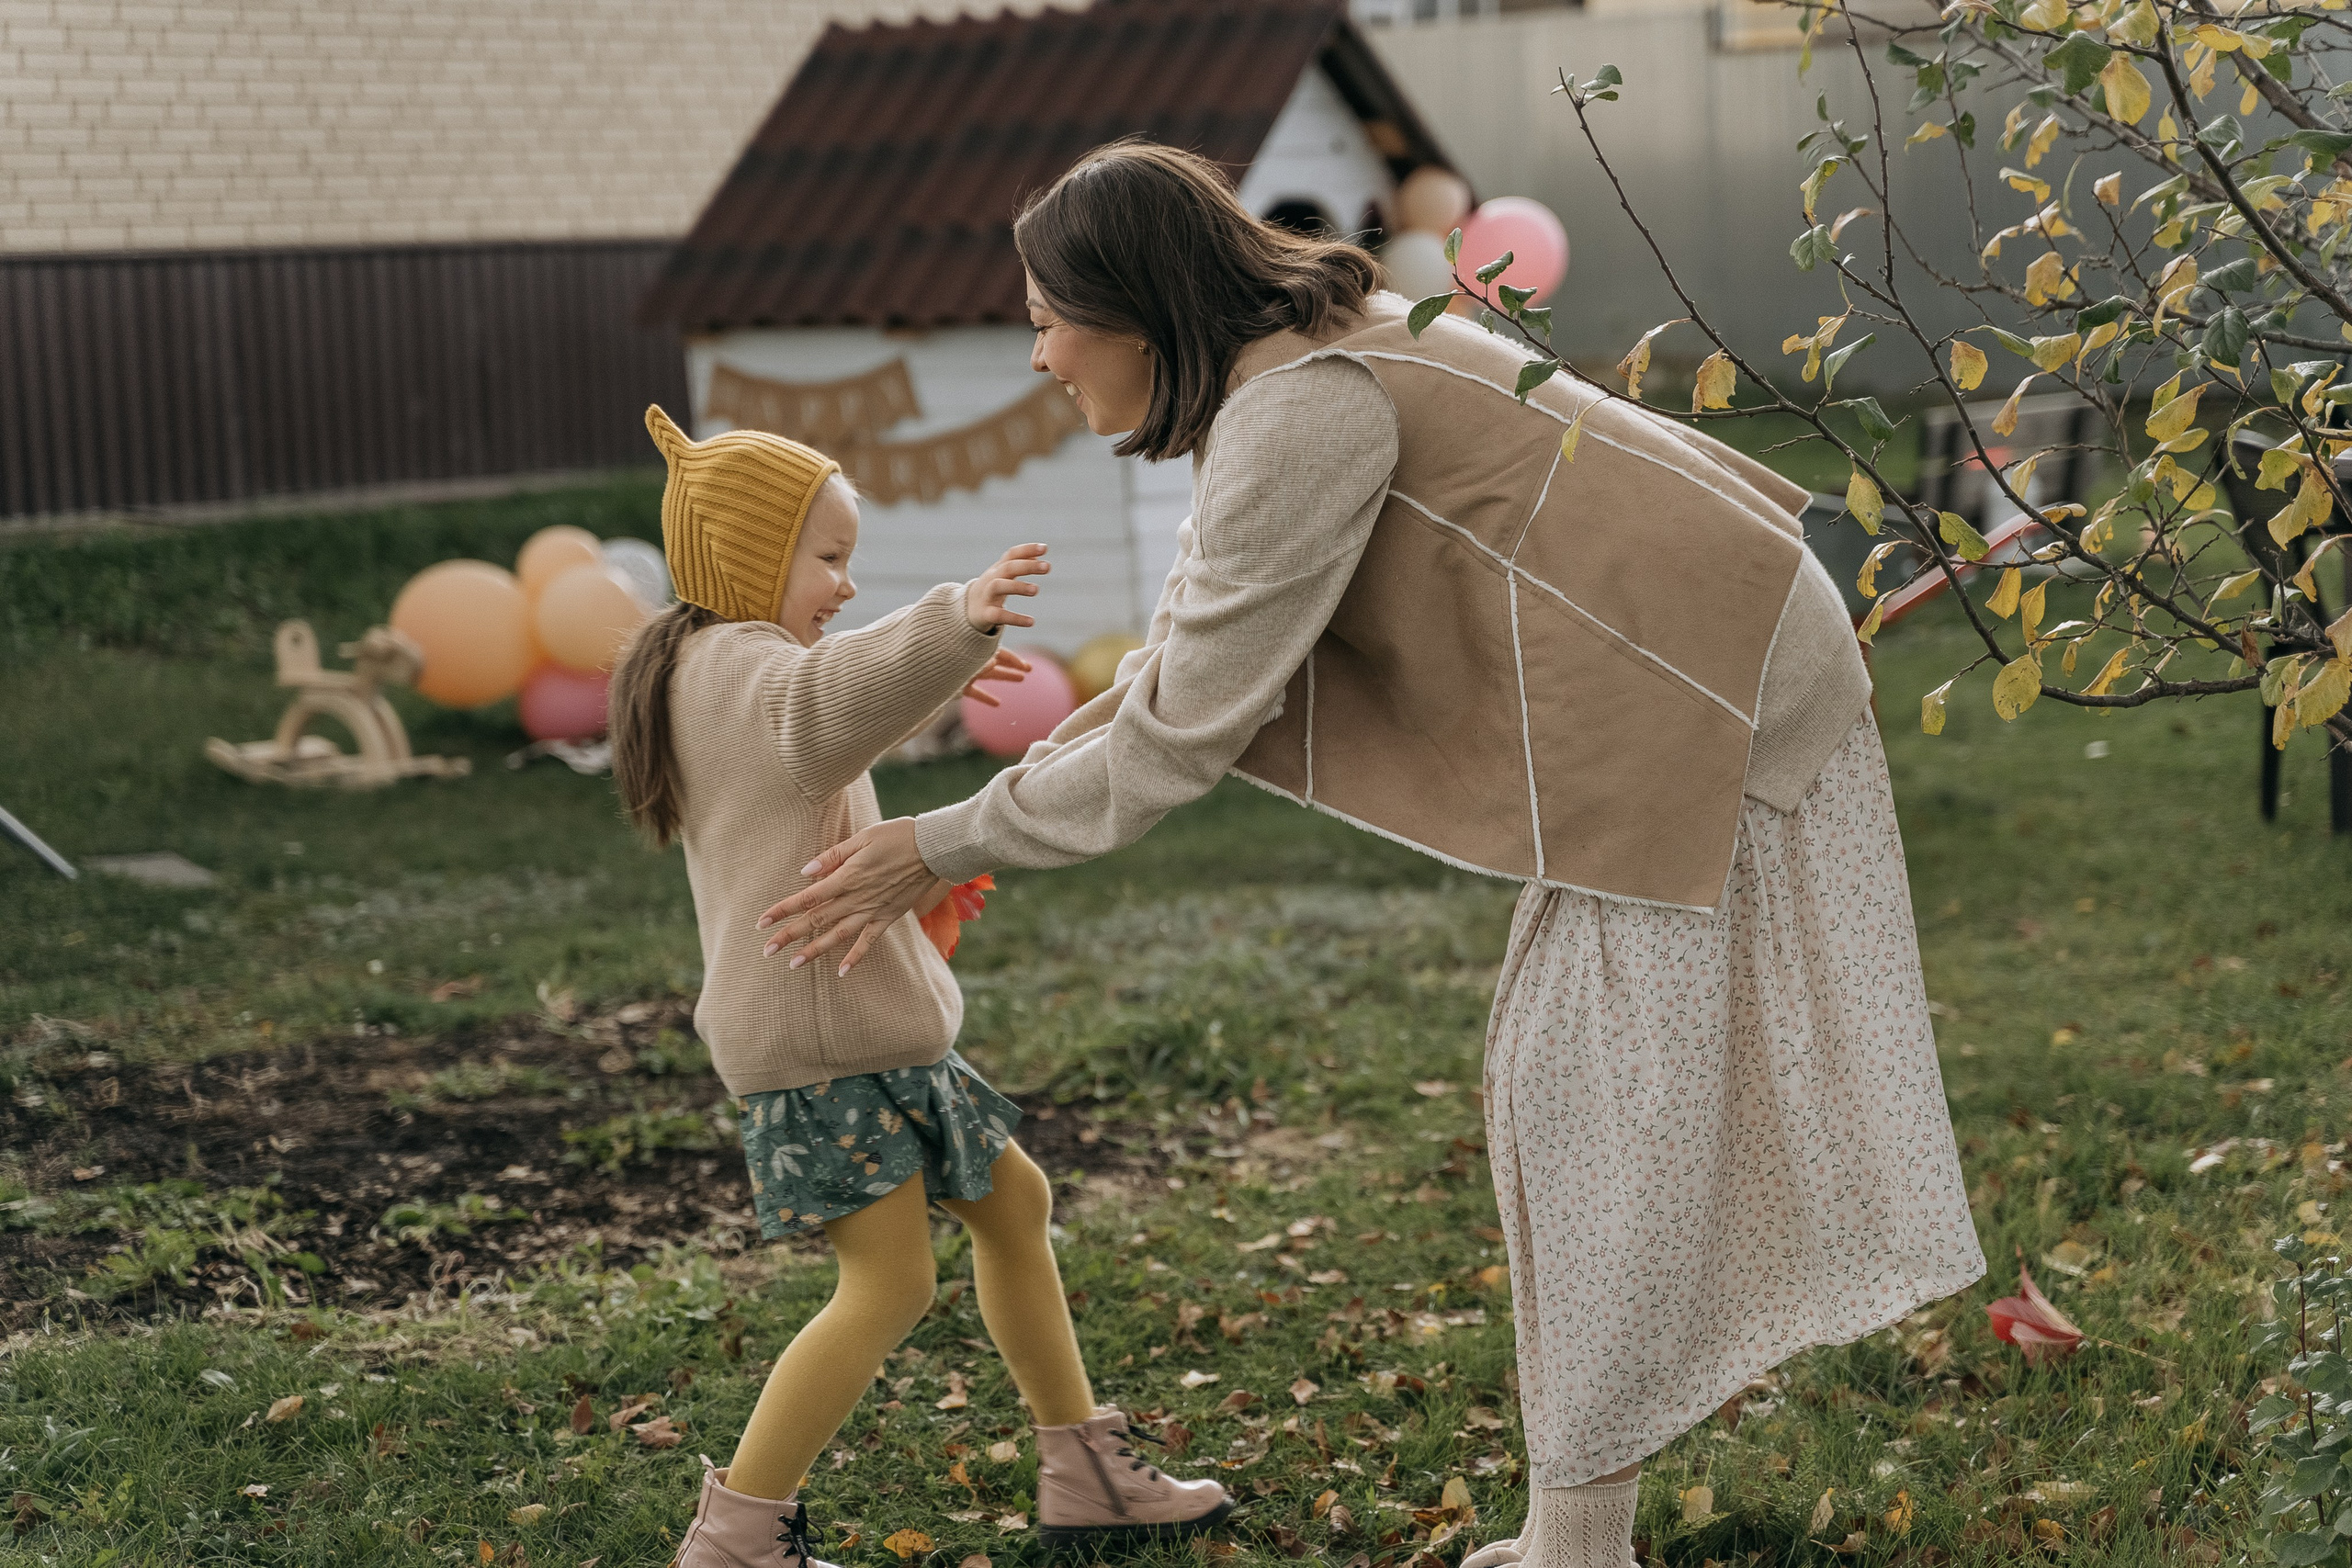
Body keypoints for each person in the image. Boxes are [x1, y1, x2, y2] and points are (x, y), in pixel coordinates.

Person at [754, 141, 1987, 1568]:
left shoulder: (1301, 412)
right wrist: (975, 812)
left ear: (1137, 310)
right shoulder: (1292, 368)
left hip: (1706, 691)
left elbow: (1175, 741)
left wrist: (935, 841)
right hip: (1706, 669)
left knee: (1582, 1112)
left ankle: (1582, 1542)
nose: (1037, 354)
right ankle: (1574, 1525)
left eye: (1045, 316)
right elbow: (1174, 679)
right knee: (1576, 1106)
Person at [610, 407, 1234, 1568]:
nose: (845, 583)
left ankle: (1083, 1467)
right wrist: (954, 617)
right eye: (828, 556)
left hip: (865, 1033)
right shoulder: (741, 670)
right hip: (825, 1045)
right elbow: (820, 713)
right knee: (887, 1285)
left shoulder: (722, 664)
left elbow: (830, 731)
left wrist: (925, 713)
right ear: (748, 559)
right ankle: (739, 1537)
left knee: (1015, 1204)